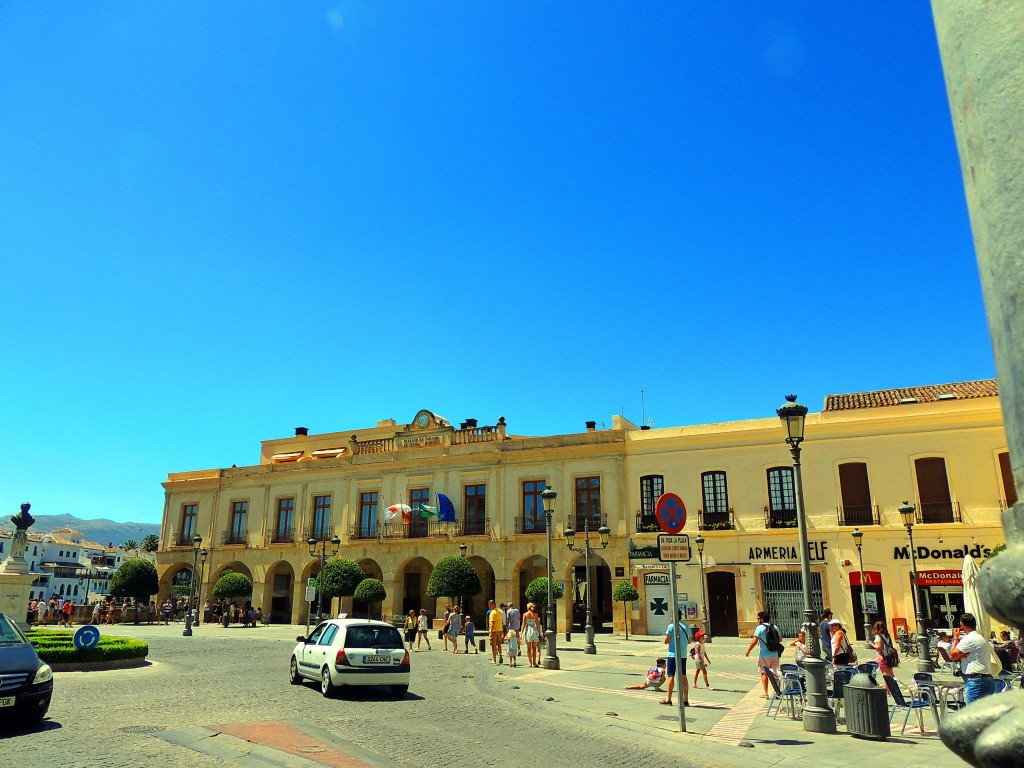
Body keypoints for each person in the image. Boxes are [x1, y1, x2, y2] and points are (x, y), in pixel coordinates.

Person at [949, 612, 996, 703]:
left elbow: (953, 656)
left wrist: (955, 638)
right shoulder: (980, 637)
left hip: (976, 681)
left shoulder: (969, 639)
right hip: (987, 679)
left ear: (962, 625)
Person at [746, 610, 780, 699]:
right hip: (775, 653)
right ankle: (778, 692)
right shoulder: (774, 627)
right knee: (775, 673)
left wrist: (748, 650)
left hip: (764, 654)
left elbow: (754, 640)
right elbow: (780, 639)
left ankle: (766, 693)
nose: (757, 620)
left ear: (761, 619)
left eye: (758, 618)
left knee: (764, 673)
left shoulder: (760, 628)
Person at [661, 610, 691, 706]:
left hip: (672, 655)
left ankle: (668, 699)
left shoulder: (671, 626)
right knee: (683, 676)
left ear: (673, 616)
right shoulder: (686, 626)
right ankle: (685, 700)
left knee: (671, 676)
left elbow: (666, 641)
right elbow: (690, 641)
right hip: (682, 655)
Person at [521, 602, 543, 668]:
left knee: (529, 648)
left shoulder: (525, 614)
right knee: (534, 648)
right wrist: (540, 633)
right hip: (534, 631)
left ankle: (530, 663)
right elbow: (538, 625)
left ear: (528, 607)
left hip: (528, 631)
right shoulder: (535, 615)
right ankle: (534, 662)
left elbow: (523, 625)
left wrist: (521, 633)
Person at [489, 600, 505, 665]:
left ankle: (494, 660)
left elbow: (492, 623)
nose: (489, 606)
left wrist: (490, 632)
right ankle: (500, 656)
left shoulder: (493, 612)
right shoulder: (499, 611)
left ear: (493, 605)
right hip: (499, 630)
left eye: (490, 605)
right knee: (499, 645)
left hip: (494, 631)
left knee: (493, 645)